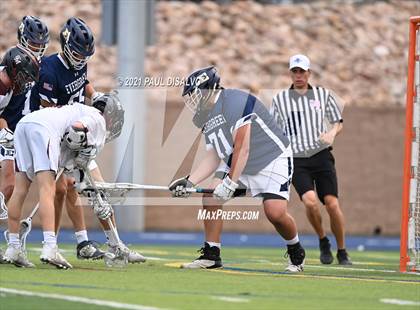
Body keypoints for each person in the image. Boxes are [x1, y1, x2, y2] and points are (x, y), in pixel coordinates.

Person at [30, 17, 145, 263]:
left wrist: (96, 97)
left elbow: (83, 83)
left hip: (80, 136)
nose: (81, 59)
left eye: (85, 55)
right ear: (65, 44)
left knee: (98, 191)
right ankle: (58, 243)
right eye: (77, 53)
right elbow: (48, 110)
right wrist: (74, 132)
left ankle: (116, 244)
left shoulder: (79, 64)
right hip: (57, 137)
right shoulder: (49, 68)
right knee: (62, 189)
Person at [169, 66, 305, 272]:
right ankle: (211, 255)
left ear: (210, 88)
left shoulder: (235, 102)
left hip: (271, 158)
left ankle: (295, 248)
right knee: (211, 199)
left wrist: (231, 183)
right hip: (239, 159)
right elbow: (214, 156)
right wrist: (189, 182)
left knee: (275, 213)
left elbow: (243, 147)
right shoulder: (206, 115)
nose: (194, 100)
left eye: (197, 94)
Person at [3, 101, 111, 269]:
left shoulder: (75, 109)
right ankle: (50, 247)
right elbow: (76, 129)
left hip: (24, 125)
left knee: (20, 189)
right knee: (47, 188)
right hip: (43, 129)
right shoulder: (95, 116)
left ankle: (13, 247)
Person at [271, 54, 352, 265]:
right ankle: (323, 240)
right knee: (310, 201)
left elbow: (338, 122)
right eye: (294, 71)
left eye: (302, 71)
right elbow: (274, 130)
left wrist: (332, 133)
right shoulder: (280, 99)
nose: (298, 75)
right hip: (297, 159)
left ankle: (342, 250)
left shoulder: (323, 95)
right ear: (290, 73)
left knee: (332, 204)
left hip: (321, 156)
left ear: (309, 73)